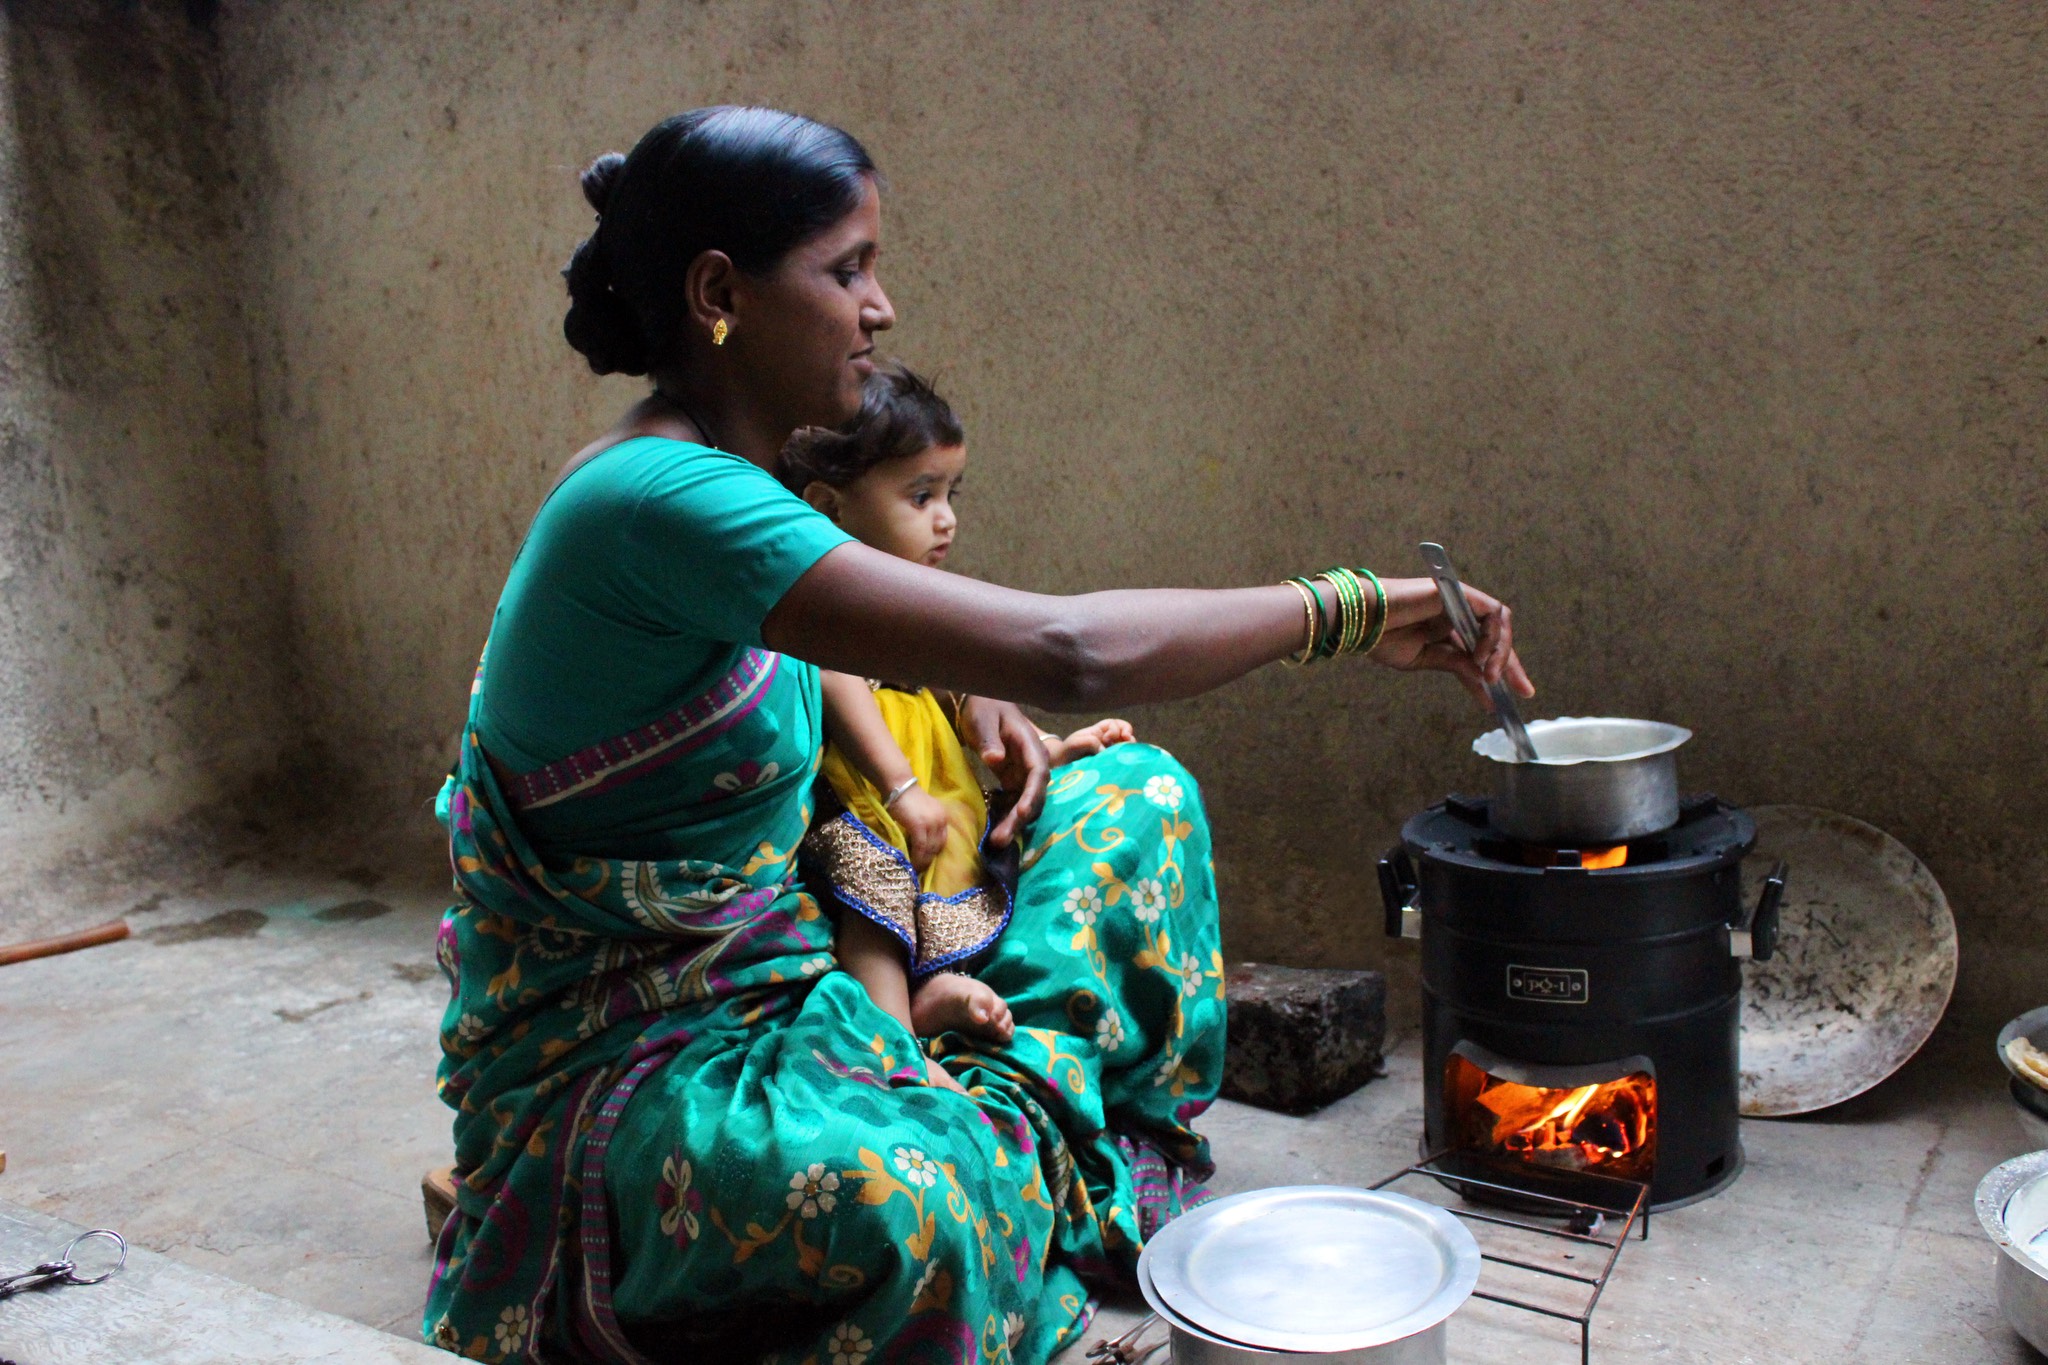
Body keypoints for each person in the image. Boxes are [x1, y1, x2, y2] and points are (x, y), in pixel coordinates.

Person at [426, 105, 1531, 1365]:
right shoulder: (656, 501)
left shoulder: (742, 479)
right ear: (719, 292)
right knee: (914, 1206)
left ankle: (991, 1117)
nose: (879, 306)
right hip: (639, 1053)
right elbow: (1071, 647)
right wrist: (1343, 608)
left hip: (794, 961)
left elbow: (898, 647)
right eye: (846, 270)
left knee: (1138, 800)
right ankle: (1013, 1146)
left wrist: (970, 697)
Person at [777, 365, 1140, 1098]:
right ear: (828, 507)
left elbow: (965, 709)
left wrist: (1050, 748)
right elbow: (834, 681)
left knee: (957, 893)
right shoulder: (825, 607)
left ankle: (937, 990)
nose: (946, 519)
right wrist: (900, 786)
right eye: (920, 497)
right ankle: (896, 1044)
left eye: (949, 494)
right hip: (864, 802)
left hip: (939, 803)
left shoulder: (917, 604)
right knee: (873, 896)